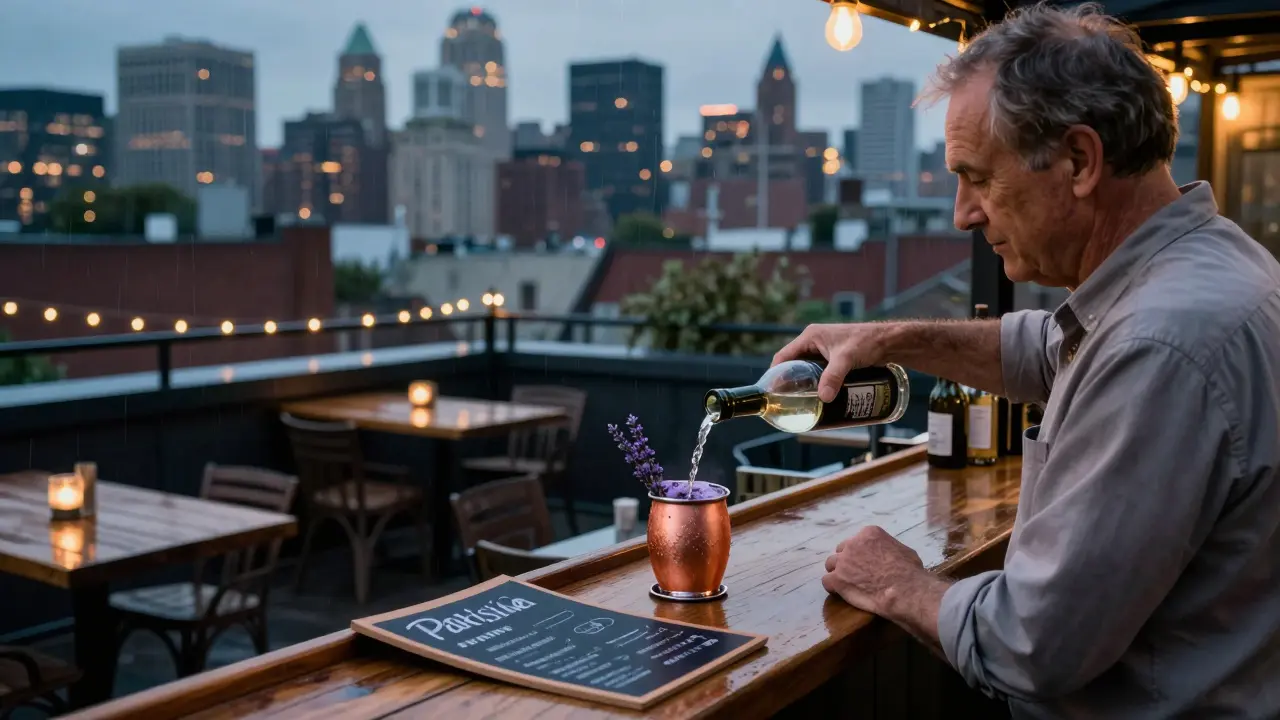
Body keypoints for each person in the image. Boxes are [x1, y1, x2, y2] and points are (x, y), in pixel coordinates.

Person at [773, 2, 1280, 718]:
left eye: (977, 176)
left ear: (1078, 160)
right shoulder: (1209, 262)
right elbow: (1048, 347)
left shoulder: (1160, 344)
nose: (962, 213)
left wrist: (900, 583)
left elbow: (1034, 643)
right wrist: (890, 340)